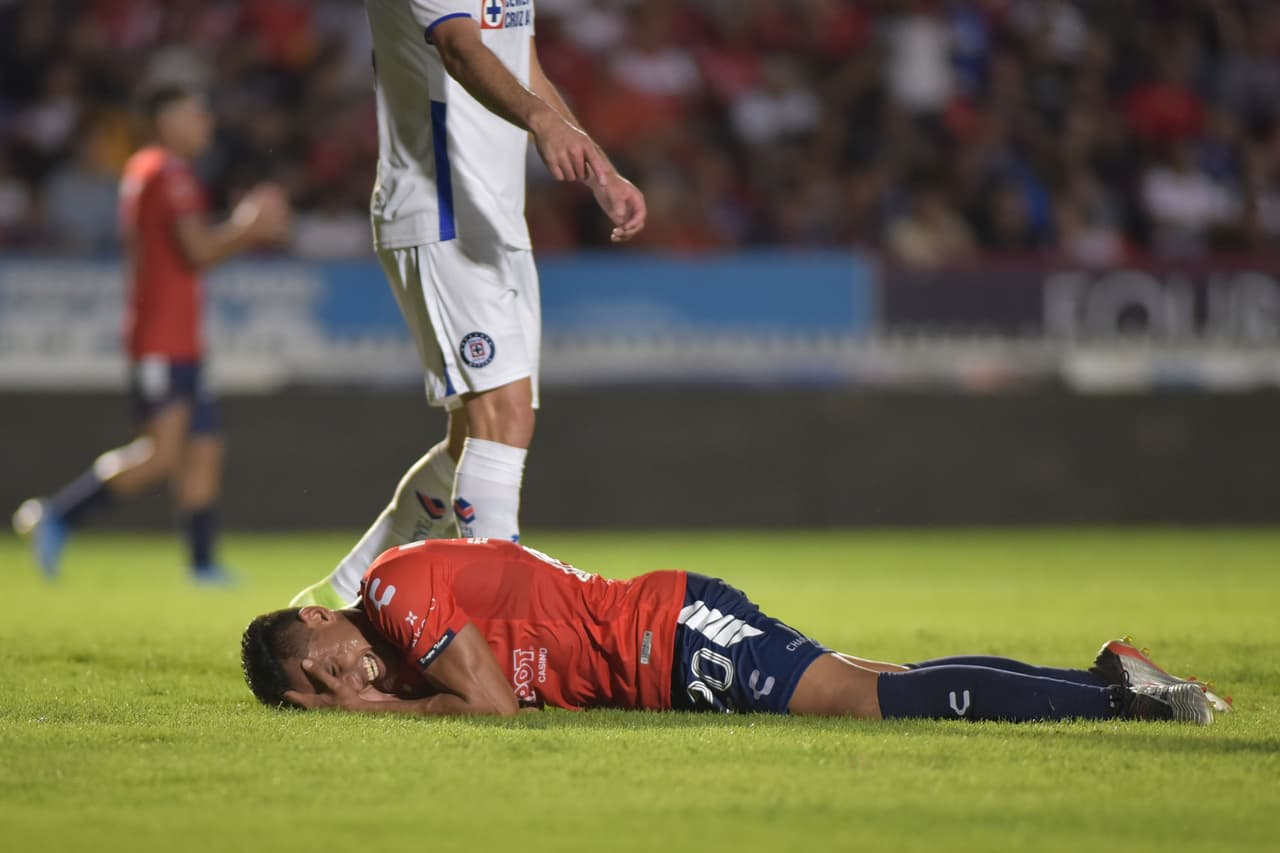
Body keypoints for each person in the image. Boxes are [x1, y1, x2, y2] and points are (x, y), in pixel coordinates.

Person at [288, 0, 647, 609]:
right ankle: (499, 627)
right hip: (439, 214)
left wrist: (596, 165)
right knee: (505, 419)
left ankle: (345, 591)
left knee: (472, 440)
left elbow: (524, 65)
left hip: (494, 220)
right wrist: (542, 122)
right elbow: (459, 47)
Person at [242, 539, 1229, 724]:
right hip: (660, 638)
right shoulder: (405, 650)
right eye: (325, 694)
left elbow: (493, 704)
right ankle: (1104, 673)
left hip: (660, 635)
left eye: (322, 671)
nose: (345, 685)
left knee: (865, 699)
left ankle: (1124, 702)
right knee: (878, 675)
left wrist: (375, 714)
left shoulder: (392, 588)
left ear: (319, 617)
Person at [11, 84, 290, 583]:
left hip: (180, 337)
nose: (205, 123)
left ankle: (202, 566)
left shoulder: (154, 170)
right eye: (194, 114)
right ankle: (58, 514)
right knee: (163, 454)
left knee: (204, 448)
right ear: (167, 122)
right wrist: (249, 226)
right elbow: (199, 252)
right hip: (161, 339)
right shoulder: (167, 172)